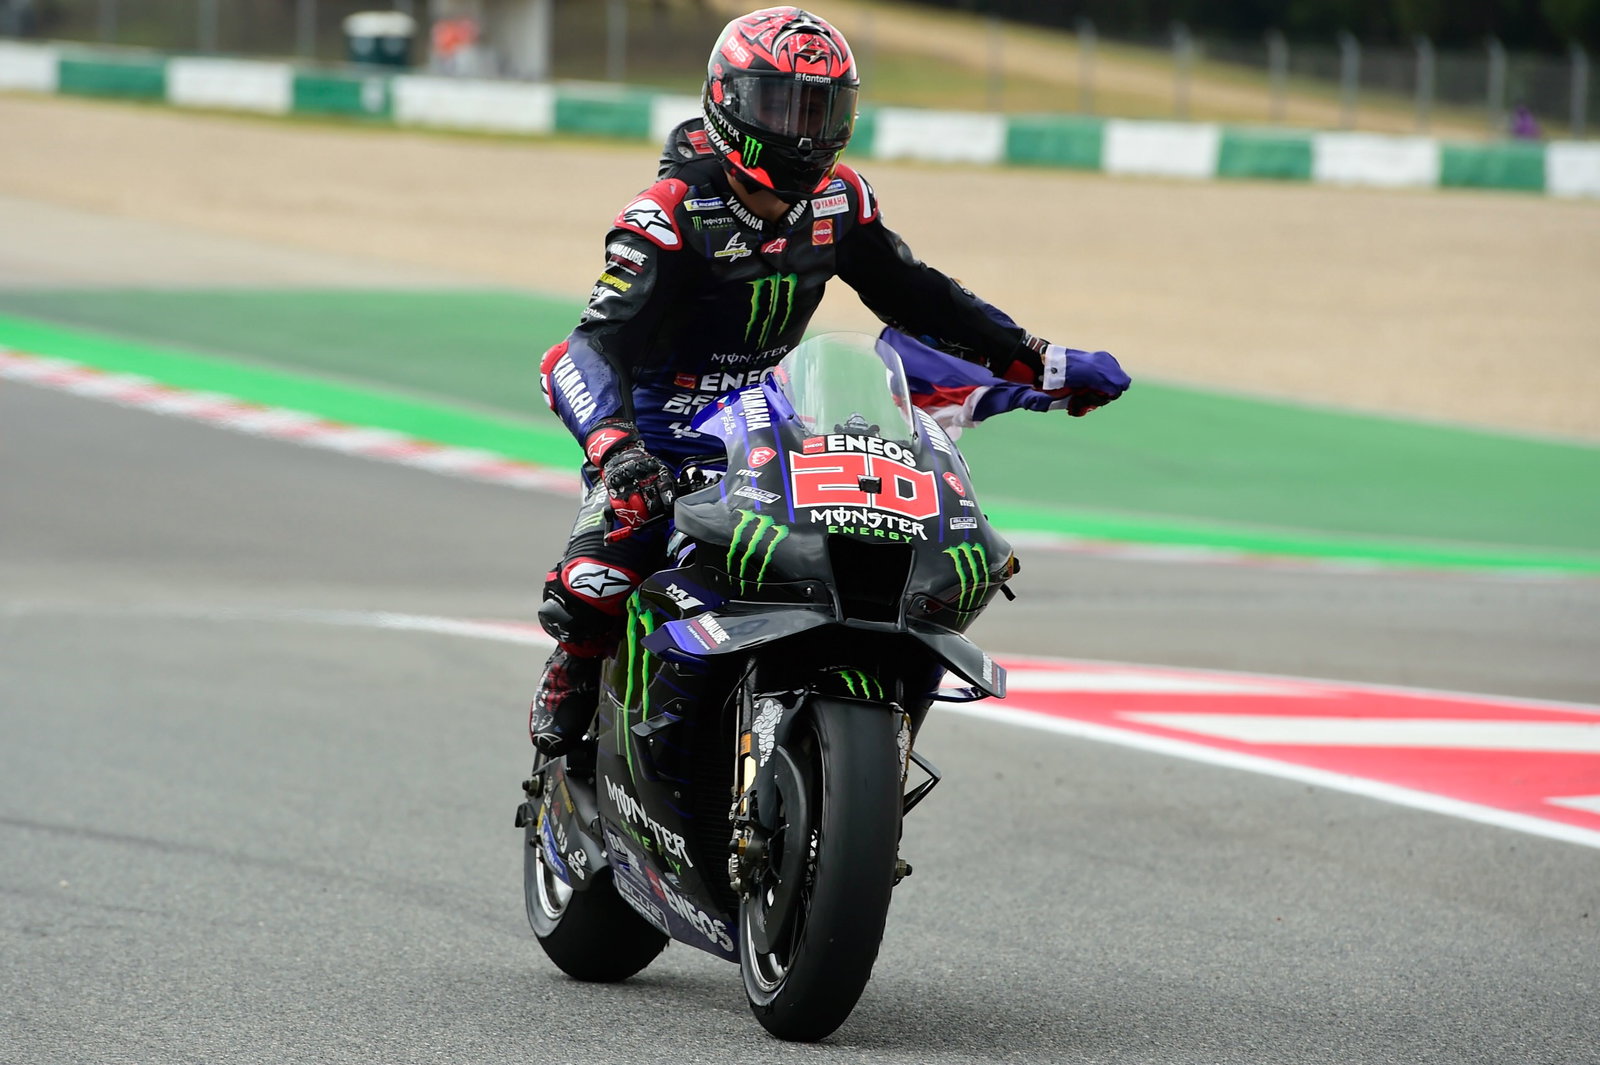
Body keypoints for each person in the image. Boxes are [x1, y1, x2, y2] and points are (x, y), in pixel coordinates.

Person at [529, 6, 1129, 756]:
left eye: (822, 108)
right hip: (655, 433)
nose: (804, 130)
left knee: (850, 542)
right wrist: (617, 451)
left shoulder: (841, 201)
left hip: (762, 417)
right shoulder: (668, 216)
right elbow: (585, 349)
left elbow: (923, 297)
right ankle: (578, 664)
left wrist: (1038, 359)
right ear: (731, 102)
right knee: (595, 580)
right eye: (783, 105)